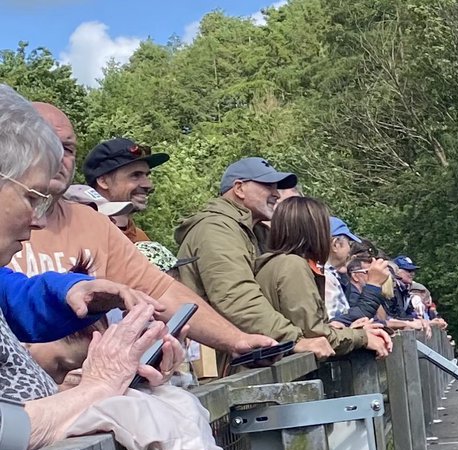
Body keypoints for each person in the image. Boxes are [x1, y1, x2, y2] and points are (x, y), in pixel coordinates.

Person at [9, 103, 276, 380]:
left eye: (69, 148)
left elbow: (160, 292)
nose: (60, 158)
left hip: (98, 398)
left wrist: (235, 340)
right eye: (49, 144)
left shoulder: (93, 223)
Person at [175, 156, 333, 363]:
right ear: (239, 188)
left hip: (249, 357)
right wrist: (294, 340)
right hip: (222, 365)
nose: (276, 194)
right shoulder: (216, 229)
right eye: (268, 186)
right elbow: (236, 298)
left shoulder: (253, 231)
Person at [252, 196, 391, 358]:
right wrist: (362, 338)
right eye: (324, 229)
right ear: (315, 232)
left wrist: (349, 330)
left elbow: (311, 328)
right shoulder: (293, 266)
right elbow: (314, 335)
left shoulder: (278, 263)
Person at [82, 137, 169, 243]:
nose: (148, 185)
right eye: (135, 175)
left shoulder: (141, 239)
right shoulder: (82, 236)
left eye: (146, 175)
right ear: (103, 181)